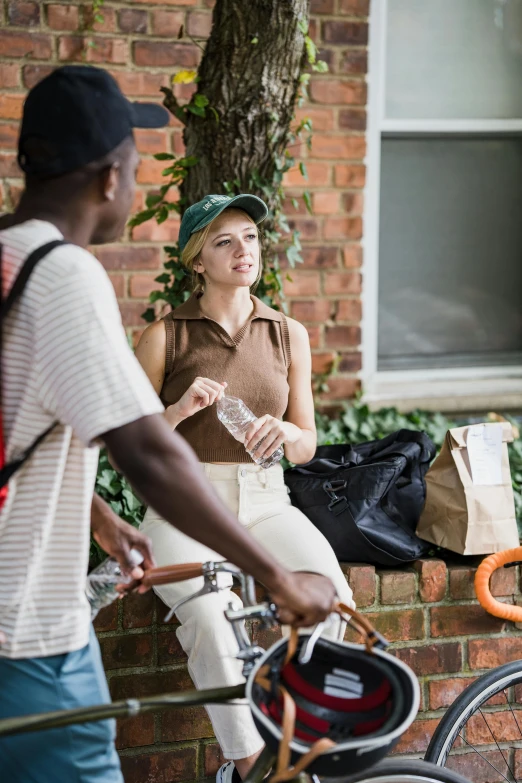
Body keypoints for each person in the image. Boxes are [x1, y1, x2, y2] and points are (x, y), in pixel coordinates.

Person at [0, 66, 337, 783]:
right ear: (109, 175)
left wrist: (94, 515)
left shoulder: (7, 258)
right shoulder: (65, 275)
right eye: (133, 154)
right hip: (24, 628)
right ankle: (250, 765)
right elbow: (149, 453)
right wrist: (275, 576)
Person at [135, 194, 355, 783]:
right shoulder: (165, 336)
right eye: (224, 241)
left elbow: (306, 443)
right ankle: (250, 767)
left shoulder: (289, 334)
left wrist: (286, 431)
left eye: (251, 237)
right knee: (212, 618)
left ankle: (294, 738)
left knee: (333, 599)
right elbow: (127, 441)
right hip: (184, 506)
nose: (243, 250)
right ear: (197, 261)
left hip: (264, 499)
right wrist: (179, 409)